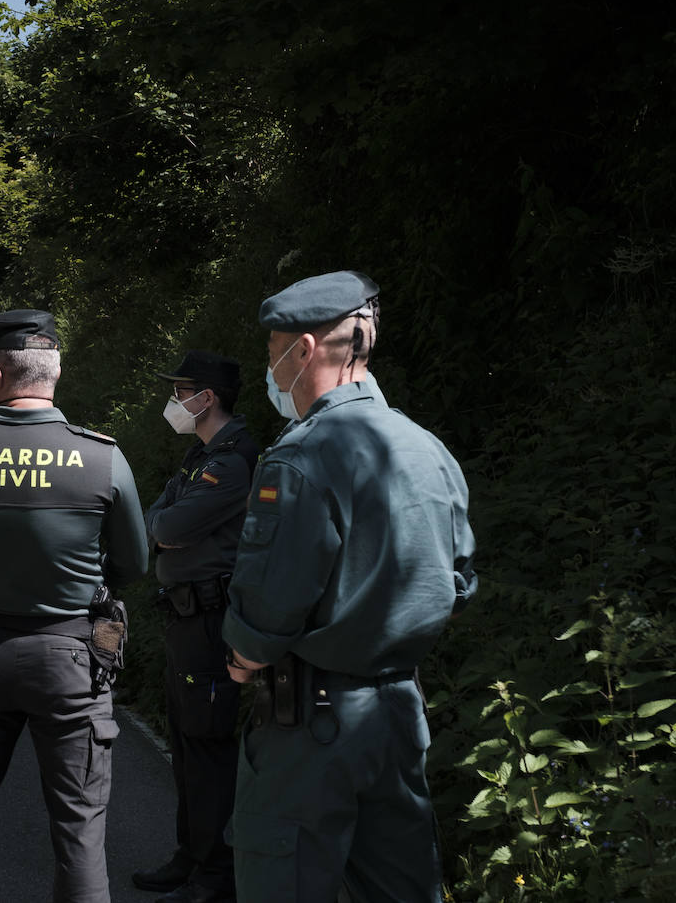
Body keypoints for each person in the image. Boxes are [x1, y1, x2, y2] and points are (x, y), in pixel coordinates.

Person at [221, 271, 478, 902]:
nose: (271, 369)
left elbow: (265, 618)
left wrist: (242, 659)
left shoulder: (299, 458)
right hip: (397, 716)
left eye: (273, 351)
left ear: (303, 351)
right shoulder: (427, 448)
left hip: (309, 728)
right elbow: (460, 580)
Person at [0, 308, 149, 903]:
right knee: (78, 831)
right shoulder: (101, 457)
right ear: (57, 370)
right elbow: (134, 564)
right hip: (73, 656)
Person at [132, 351, 258, 903]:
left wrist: (162, 525)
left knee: (207, 747)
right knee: (186, 745)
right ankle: (190, 855)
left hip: (211, 621)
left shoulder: (232, 462)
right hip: (185, 617)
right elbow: (153, 521)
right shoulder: (199, 455)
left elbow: (170, 524)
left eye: (180, 391)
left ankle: (217, 873)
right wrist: (161, 524)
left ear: (206, 397)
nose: (174, 401)